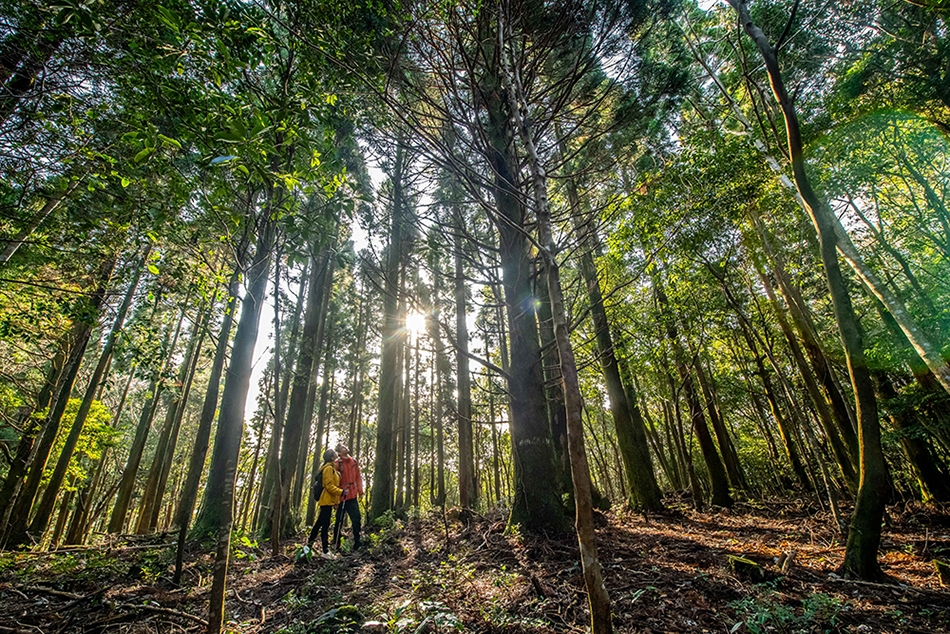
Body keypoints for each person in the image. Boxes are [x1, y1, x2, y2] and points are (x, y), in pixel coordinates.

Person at [307, 448, 343, 559]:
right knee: (325, 526)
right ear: (332, 457)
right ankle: (325, 551)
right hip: (326, 500)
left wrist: (336, 501)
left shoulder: (332, 468)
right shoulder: (328, 468)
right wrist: (341, 492)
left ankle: (308, 547)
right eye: (334, 453)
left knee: (319, 524)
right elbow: (329, 486)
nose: (337, 454)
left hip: (328, 501)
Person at [333, 443, 363, 551]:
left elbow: (358, 477)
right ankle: (336, 543)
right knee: (339, 520)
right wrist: (335, 500)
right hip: (342, 496)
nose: (345, 448)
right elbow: (334, 481)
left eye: (345, 447)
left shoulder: (354, 462)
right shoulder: (337, 464)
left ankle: (357, 541)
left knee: (356, 518)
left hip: (353, 495)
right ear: (339, 453)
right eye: (342, 448)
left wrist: (360, 491)